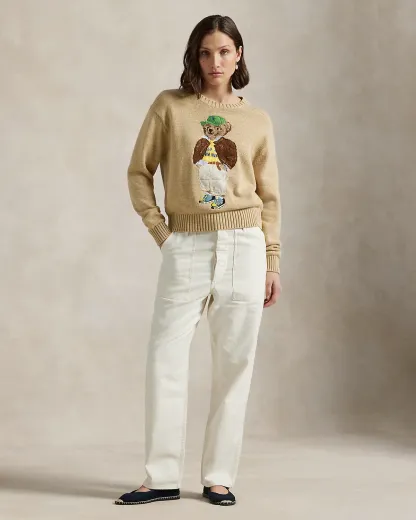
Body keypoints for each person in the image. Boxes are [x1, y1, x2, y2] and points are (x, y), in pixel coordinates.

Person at [114, 14, 282, 507]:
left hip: (245, 247)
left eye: (224, 51)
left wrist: (271, 260)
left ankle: (219, 477)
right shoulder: (170, 107)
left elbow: (270, 196)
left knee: (235, 364)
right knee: (165, 358)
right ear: (195, 55)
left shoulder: (257, 120)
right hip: (185, 245)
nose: (215, 62)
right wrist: (162, 233)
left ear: (239, 54)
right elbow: (139, 172)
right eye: (206, 52)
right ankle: (161, 477)